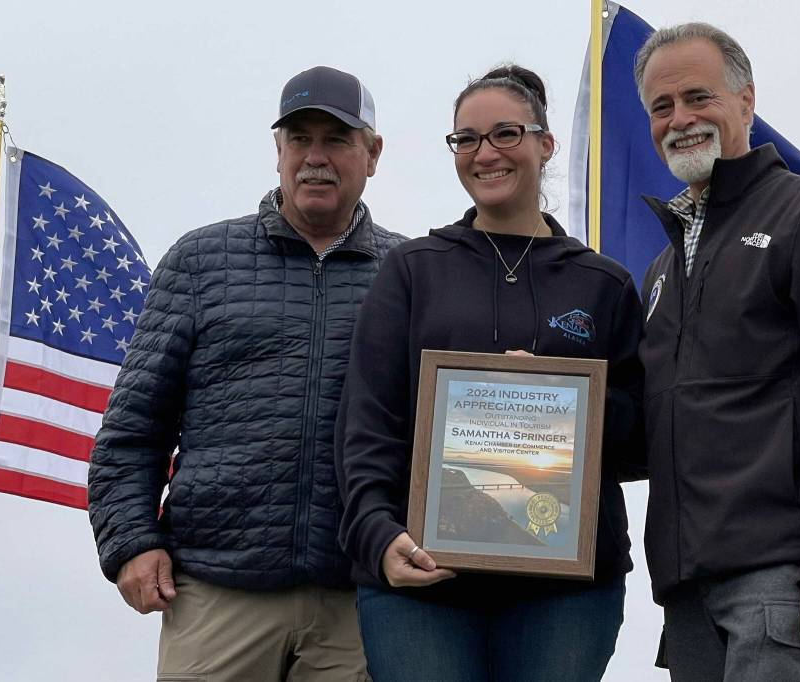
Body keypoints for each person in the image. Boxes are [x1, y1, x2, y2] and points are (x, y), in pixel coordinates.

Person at [88, 65, 405, 681]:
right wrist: (130, 541)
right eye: (299, 139)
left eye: (337, 139)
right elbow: (133, 430)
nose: (315, 157)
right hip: (214, 593)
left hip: (358, 602)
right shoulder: (201, 261)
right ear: (278, 151)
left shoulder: (409, 272)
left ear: (373, 153)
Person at [335, 64, 644, 681]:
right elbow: (368, 421)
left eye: (506, 133)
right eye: (467, 139)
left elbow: (643, 441)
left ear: (545, 143)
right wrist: (375, 533)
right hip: (421, 582)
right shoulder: (412, 270)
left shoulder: (604, 284)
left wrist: (565, 402)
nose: (485, 154)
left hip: (565, 593)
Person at [633, 22, 800, 681]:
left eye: (699, 97)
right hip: (683, 592)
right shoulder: (661, 269)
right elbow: (644, 426)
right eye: (661, 107)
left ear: (746, 101)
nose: (680, 119)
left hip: (781, 579)